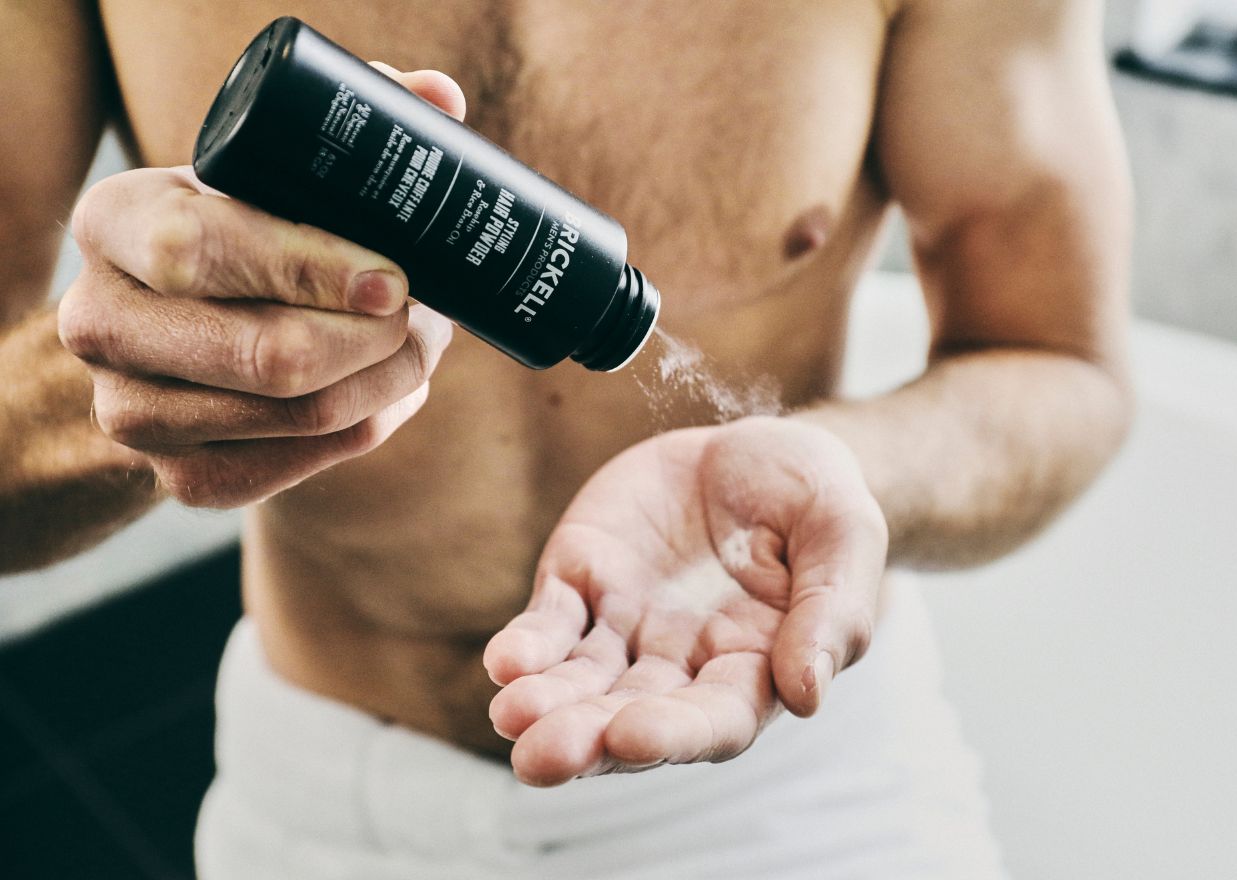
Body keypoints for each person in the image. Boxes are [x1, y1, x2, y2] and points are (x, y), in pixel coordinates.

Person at [0, 1, 1131, 877]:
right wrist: (122, 385)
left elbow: (1064, 366)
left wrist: (848, 472)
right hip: (329, 800)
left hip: (783, 782)